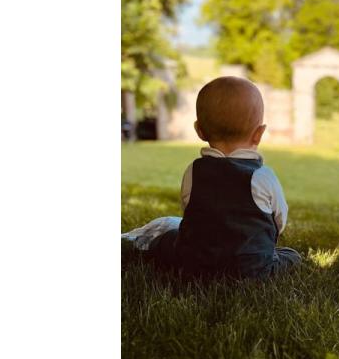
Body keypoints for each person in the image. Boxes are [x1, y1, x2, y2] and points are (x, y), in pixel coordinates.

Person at [122, 76, 301, 279]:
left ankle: (143, 243)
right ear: (258, 134)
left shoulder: (193, 171)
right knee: (291, 256)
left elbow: (191, 214)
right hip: (250, 270)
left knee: (169, 239)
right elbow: (280, 221)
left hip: (195, 265)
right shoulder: (263, 176)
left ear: (199, 130)